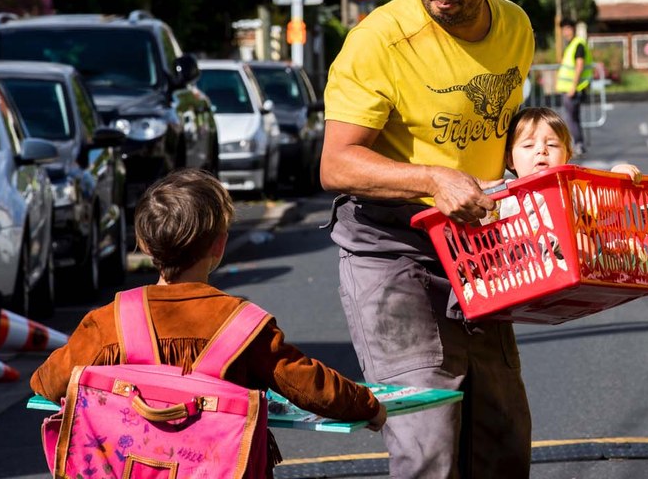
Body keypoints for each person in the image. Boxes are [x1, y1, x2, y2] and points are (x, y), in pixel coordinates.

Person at [321, 0, 535, 478]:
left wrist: (542, 162)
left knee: (502, 439)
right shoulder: (379, 41)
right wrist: (430, 179)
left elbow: (501, 132)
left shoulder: (515, 26)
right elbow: (337, 165)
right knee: (429, 439)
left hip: (482, 251)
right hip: (393, 250)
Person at [30, 169, 386, 476]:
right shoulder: (243, 326)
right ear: (220, 245)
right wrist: (367, 405)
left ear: (145, 244)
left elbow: (47, 383)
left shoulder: (110, 321)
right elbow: (308, 383)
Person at [505, 106, 640, 181]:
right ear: (510, 159)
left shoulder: (574, 191)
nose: (542, 150)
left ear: (567, 156)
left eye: (552, 145)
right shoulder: (503, 200)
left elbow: (602, 202)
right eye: (528, 145)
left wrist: (617, 178)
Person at [554, 18, 593, 155]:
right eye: (563, 29)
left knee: (572, 119)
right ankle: (578, 144)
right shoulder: (571, 45)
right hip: (569, 88)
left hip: (573, 89)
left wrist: (573, 87)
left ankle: (578, 145)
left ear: (573, 29)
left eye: (567, 28)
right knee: (573, 118)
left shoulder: (578, 45)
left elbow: (579, 66)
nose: (565, 32)